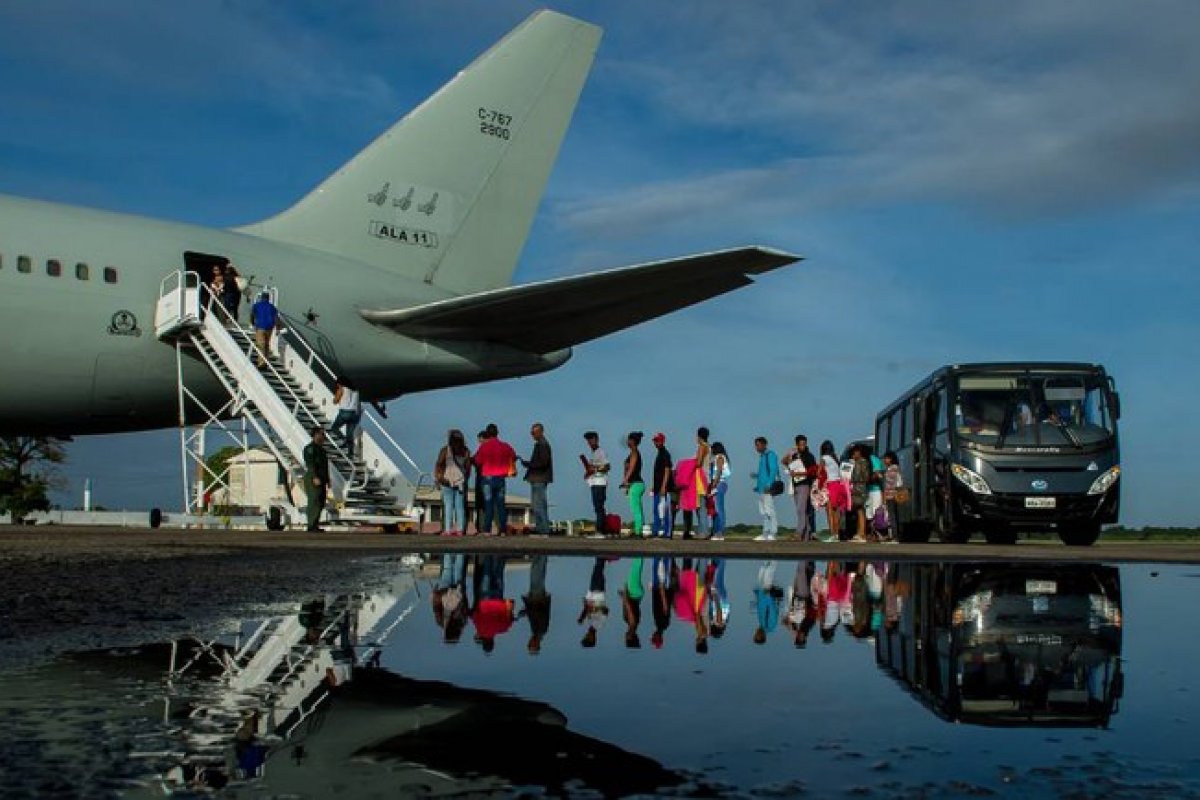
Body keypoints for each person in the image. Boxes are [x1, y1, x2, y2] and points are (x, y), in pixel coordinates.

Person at [473, 423, 517, 536]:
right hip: (501, 478)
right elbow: (513, 456)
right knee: (501, 505)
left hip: (487, 478)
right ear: (497, 433)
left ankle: (487, 530)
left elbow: (478, 461)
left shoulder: (484, 447)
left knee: (489, 505)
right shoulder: (505, 446)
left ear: (487, 433)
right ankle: (502, 530)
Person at [434, 429, 472, 536]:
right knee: (460, 506)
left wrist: (438, 478)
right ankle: (460, 529)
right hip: (460, 482)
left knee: (448, 505)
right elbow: (468, 467)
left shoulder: (445, 450)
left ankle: (448, 529)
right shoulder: (466, 451)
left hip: (446, 481)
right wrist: (465, 479)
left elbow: (439, 464)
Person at [783, 435, 819, 541]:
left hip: (805, 484)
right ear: (797, 444)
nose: (802, 446)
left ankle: (799, 532)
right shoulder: (794, 455)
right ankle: (806, 532)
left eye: (804, 444)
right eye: (800, 444)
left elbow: (812, 471)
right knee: (802, 510)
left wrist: (798, 473)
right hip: (795, 484)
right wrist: (789, 453)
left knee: (801, 509)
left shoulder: (809, 456)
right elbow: (784, 462)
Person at [521, 422, 553, 536]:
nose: (532, 435)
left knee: (539, 505)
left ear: (540, 432)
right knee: (538, 505)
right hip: (539, 478)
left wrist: (529, 464)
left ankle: (543, 530)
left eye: (533, 432)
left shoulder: (543, 444)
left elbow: (543, 463)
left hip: (539, 478)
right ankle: (542, 529)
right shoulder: (541, 444)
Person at [816, 440, 848, 540]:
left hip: (830, 485)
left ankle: (832, 534)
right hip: (839, 485)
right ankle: (837, 533)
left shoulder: (824, 458)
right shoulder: (836, 459)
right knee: (837, 511)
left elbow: (818, 472)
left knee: (829, 510)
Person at [751, 436, 781, 541]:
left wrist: (769, 484)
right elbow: (763, 473)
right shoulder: (762, 457)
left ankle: (773, 532)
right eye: (756, 445)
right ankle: (765, 533)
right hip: (761, 488)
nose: (756, 447)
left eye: (758, 445)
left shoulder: (770, 455)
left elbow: (773, 470)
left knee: (770, 510)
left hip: (767, 488)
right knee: (763, 511)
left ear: (764, 445)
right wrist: (757, 479)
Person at [520, 555, 551, 654]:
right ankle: (541, 554)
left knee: (537, 574)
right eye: (532, 644)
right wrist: (527, 609)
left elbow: (536, 613)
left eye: (529, 644)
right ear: (537, 644)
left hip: (535, 598)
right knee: (536, 574)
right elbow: (541, 613)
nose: (530, 641)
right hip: (537, 598)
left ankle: (540, 554)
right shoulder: (541, 631)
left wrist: (526, 610)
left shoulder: (536, 632)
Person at [582, 431, 610, 536]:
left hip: (600, 482)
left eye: (591, 439)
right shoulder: (593, 453)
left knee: (599, 506)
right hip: (594, 482)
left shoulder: (600, 452)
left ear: (596, 439)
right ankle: (601, 529)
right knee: (597, 507)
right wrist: (588, 473)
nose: (589, 442)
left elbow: (607, 466)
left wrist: (595, 468)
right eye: (588, 440)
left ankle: (600, 530)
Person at [302, 426, 329, 532]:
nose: (324, 436)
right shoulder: (310, 448)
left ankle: (315, 524)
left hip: (321, 478)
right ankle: (311, 525)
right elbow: (311, 464)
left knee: (321, 502)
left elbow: (325, 466)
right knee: (314, 501)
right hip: (313, 477)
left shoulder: (321, 450)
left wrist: (328, 479)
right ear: (315, 435)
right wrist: (314, 477)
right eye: (322, 434)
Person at [579, 557, 610, 647]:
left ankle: (601, 554)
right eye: (588, 637)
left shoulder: (589, 623)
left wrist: (582, 615)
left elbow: (587, 607)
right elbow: (606, 610)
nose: (586, 634)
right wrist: (593, 608)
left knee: (597, 568)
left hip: (592, 591)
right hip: (598, 591)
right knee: (598, 568)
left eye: (585, 636)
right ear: (593, 638)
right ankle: (602, 553)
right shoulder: (598, 625)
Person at [621, 431, 646, 538]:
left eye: (628, 439)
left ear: (632, 441)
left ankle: (638, 532)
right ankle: (638, 529)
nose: (627, 441)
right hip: (635, 484)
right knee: (638, 508)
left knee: (636, 509)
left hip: (636, 484)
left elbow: (631, 468)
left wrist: (625, 481)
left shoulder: (635, 452)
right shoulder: (633, 452)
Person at [329, 378, 362, 458]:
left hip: (345, 412)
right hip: (355, 414)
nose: (337, 385)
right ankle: (350, 453)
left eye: (337, 384)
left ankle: (344, 440)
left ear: (340, 384)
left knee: (334, 428)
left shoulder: (342, 389)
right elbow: (358, 405)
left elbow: (335, 401)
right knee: (349, 434)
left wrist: (336, 395)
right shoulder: (356, 391)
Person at [650, 433, 674, 538]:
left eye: (658, 440)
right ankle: (656, 531)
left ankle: (667, 533)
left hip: (664, 488)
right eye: (655, 440)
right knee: (656, 510)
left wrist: (664, 486)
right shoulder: (659, 453)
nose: (656, 442)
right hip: (657, 488)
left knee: (665, 511)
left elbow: (667, 469)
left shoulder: (665, 454)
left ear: (663, 441)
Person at [249, 291, 280, 368]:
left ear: (261, 297)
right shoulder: (272, 307)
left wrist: (252, 323)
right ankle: (266, 362)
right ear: (268, 298)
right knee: (266, 344)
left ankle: (262, 363)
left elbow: (252, 314)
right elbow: (276, 318)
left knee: (261, 345)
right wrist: (277, 329)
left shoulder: (256, 305)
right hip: (269, 328)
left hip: (260, 327)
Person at [848, 445, 872, 542]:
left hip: (860, 488)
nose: (853, 455)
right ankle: (859, 533)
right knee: (858, 511)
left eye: (855, 453)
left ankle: (862, 533)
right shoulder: (857, 462)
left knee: (861, 510)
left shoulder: (863, 462)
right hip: (857, 487)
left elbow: (865, 476)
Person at [708, 442, 731, 540]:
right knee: (717, 509)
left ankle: (720, 532)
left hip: (719, 484)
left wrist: (714, 484)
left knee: (719, 509)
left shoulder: (720, 457)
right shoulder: (720, 457)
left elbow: (719, 471)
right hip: (720, 484)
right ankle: (717, 531)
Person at [692, 427, 712, 539]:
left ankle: (703, 531)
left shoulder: (702, 447)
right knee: (701, 505)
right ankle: (702, 530)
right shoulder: (709, 447)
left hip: (700, 478)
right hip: (706, 478)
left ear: (699, 436)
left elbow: (698, 462)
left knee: (701, 507)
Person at [883, 451, 903, 541]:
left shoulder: (893, 468)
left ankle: (895, 537)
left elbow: (891, 483)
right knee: (894, 515)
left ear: (891, 459)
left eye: (886, 458)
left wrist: (881, 477)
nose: (884, 460)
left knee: (893, 516)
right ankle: (895, 536)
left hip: (892, 495)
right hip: (892, 494)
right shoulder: (891, 468)